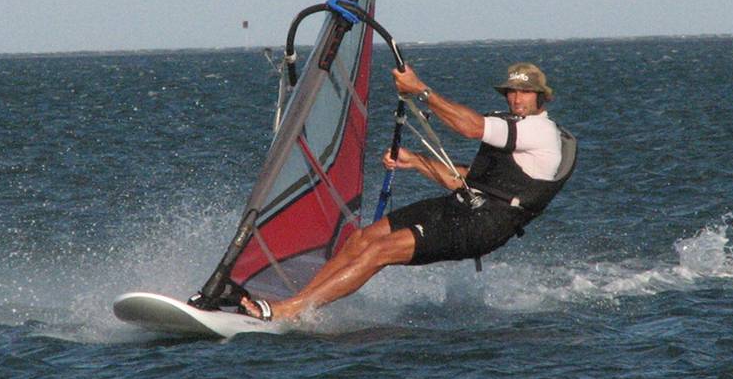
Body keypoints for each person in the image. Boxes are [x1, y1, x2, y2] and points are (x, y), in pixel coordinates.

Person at [240, 61, 576, 322]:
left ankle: (290, 309)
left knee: (379, 251)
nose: (517, 99)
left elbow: (471, 127)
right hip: (460, 205)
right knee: (360, 240)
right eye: (512, 92)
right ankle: (302, 300)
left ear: (542, 98)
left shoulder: (540, 132)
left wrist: (421, 90)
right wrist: (415, 161)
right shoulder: (512, 126)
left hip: (485, 225)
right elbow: (463, 180)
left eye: (526, 93)